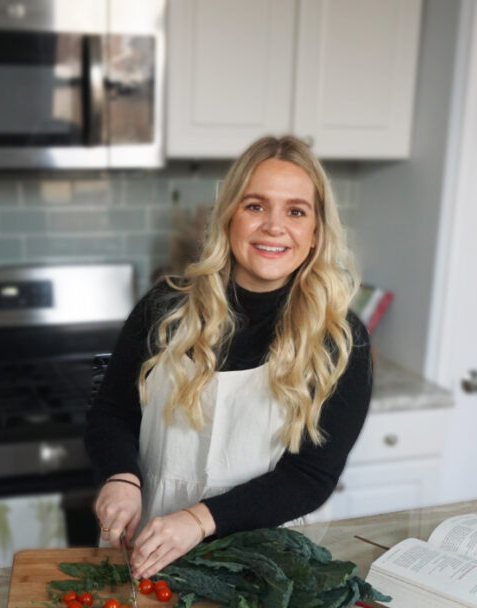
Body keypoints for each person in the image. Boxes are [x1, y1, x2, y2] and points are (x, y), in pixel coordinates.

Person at [85, 135, 372, 581]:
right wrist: (121, 477)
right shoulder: (165, 309)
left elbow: (310, 477)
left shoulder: (340, 339)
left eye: (296, 211)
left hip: (267, 561)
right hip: (147, 548)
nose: (274, 227)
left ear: (315, 232)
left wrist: (196, 521)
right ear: (229, 216)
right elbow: (112, 412)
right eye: (255, 206)